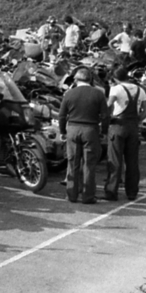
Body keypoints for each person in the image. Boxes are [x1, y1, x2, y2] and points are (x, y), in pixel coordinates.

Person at [58, 67, 107, 204]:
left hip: (73, 129)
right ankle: (88, 196)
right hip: (90, 130)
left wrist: (62, 132)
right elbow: (105, 116)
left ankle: (71, 195)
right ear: (90, 80)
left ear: (75, 79)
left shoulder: (69, 94)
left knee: (72, 163)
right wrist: (104, 132)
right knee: (89, 164)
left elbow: (62, 116)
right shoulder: (99, 94)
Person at [104, 65, 143, 201]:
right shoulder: (139, 89)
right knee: (132, 161)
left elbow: (109, 105)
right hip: (133, 126)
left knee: (115, 160)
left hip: (118, 125)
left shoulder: (116, 89)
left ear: (115, 78)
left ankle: (111, 191)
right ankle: (132, 192)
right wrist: (137, 120)